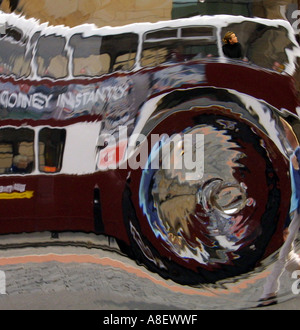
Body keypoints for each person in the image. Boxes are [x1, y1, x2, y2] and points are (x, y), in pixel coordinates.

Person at [258, 118, 300, 307]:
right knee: (286, 253)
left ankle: (269, 294)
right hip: (289, 212)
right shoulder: (289, 158)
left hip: (293, 212)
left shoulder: (295, 156)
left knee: (281, 254)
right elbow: (291, 138)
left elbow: (292, 138)